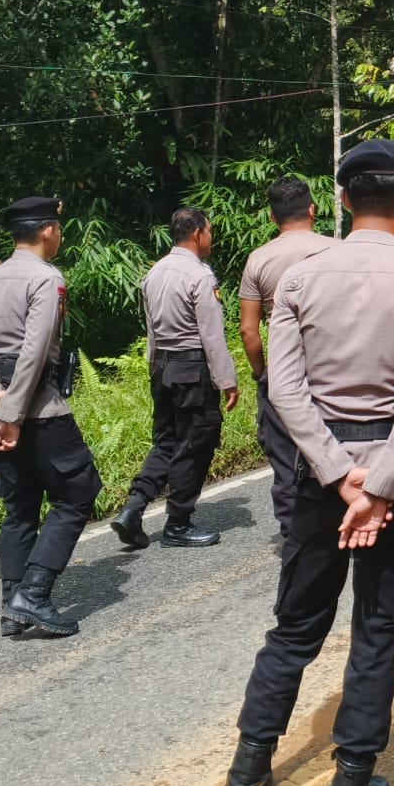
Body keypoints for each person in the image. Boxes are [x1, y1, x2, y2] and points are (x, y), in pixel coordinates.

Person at [213, 139, 394, 786]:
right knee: (375, 633)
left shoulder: (298, 280)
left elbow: (283, 389)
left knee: (294, 630)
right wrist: (378, 484)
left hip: (317, 481)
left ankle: (242, 783)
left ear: (344, 200)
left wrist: (335, 472)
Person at [0, 196, 102, 639]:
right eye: (59, 228)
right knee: (78, 493)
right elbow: (36, 349)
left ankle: (11, 600)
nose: (60, 235)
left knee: (20, 505)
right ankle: (34, 594)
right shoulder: (46, 278)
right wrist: (15, 413)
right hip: (38, 410)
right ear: (47, 231)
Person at [112, 207, 240, 551]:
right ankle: (178, 523)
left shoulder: (154, 273)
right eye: (209, 231)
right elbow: (211, 335)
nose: (211, 237)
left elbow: (151, 329)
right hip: (192, 368)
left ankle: (133, 508)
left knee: (166, 441)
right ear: (197, 233)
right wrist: (227, 379)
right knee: (194, 444)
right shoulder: (199, 275)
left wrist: (154, 369)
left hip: (162, 367)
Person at [239, 178, 337, 537]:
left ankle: (293, 530)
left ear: (271, 216)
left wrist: (262, 373)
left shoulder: (259, 260)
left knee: (283, 451)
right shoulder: (336, 251)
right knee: (332, 440)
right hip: (332, 369)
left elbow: (249, 330)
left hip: (283, 370)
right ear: (313, 210)